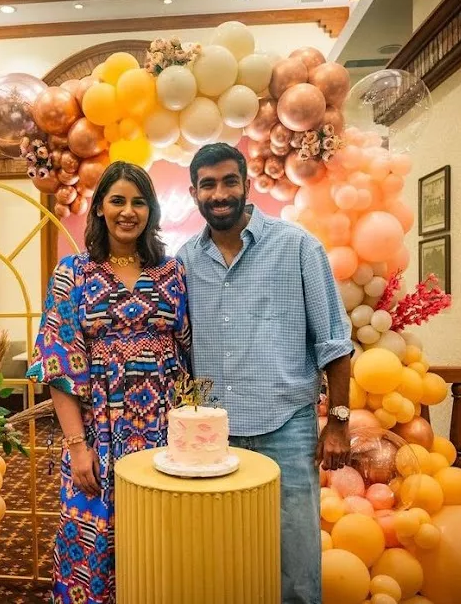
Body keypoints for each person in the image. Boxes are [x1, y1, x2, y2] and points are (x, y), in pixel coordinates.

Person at [177, 143, 352, 604]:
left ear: (247, 185)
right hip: (213, 436)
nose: (220, 194)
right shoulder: (184, 260)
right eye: (208, 185)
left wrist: (338, 422)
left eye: (229, 181)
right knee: (221, 557)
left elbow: (334, 341)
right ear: (194, 192)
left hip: (287, 429)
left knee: (296, 565)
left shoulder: (297, 247)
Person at [27, 161, 191, 604]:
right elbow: (59, 365)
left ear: (151, 211)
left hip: (163, 431)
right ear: (99, 207)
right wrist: (77, 446)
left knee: (162, 537)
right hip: (97, 430)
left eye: (139, 202)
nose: (128, 211)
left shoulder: (173, 272)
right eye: (118, 200)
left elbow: (189, 353)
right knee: (95, 541)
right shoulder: (73, 272)